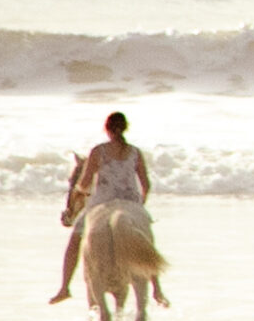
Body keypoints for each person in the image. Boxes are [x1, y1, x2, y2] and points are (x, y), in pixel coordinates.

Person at [51, 111, 167, 306]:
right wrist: (140, 205)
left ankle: (64, 288)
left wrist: (78, 192)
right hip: (131, 202)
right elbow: (146, 185)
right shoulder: (135, 153)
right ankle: (157, 289)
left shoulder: (99, 151)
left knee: (75, 239)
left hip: (102, 203)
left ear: (107, 129)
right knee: (145, 241)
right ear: (125, 128)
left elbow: (85, 183)